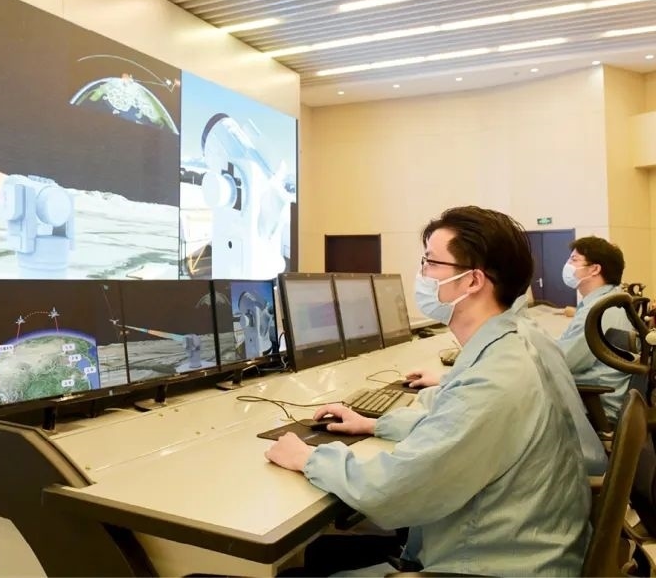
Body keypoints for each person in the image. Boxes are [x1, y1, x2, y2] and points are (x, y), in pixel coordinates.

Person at [265, 206, 590, 576]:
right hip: (525, 546)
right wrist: (375, 425)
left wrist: (308, 458)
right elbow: (452, 422)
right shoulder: (507, 349)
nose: (421, 274)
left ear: (473, 281)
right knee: (325, 554)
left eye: (430, 262)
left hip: (489, 565)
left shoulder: (495, 378)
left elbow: (392, 491)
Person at [407, 291, 608, 476]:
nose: (425, 276)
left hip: (556, 469)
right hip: (565, 456)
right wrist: (446, 381)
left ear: (475, 281)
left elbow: (461, 415)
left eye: (431, 266)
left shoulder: (509, 347)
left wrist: (397, 416)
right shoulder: (521, 331)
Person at [557, 236, 632, 422]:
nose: (567, 265)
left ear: (595, 269)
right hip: (607, 395)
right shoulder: (612, 299)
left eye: (574, 260)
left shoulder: (597, 311)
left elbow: (562, 363)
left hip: (595, 404)